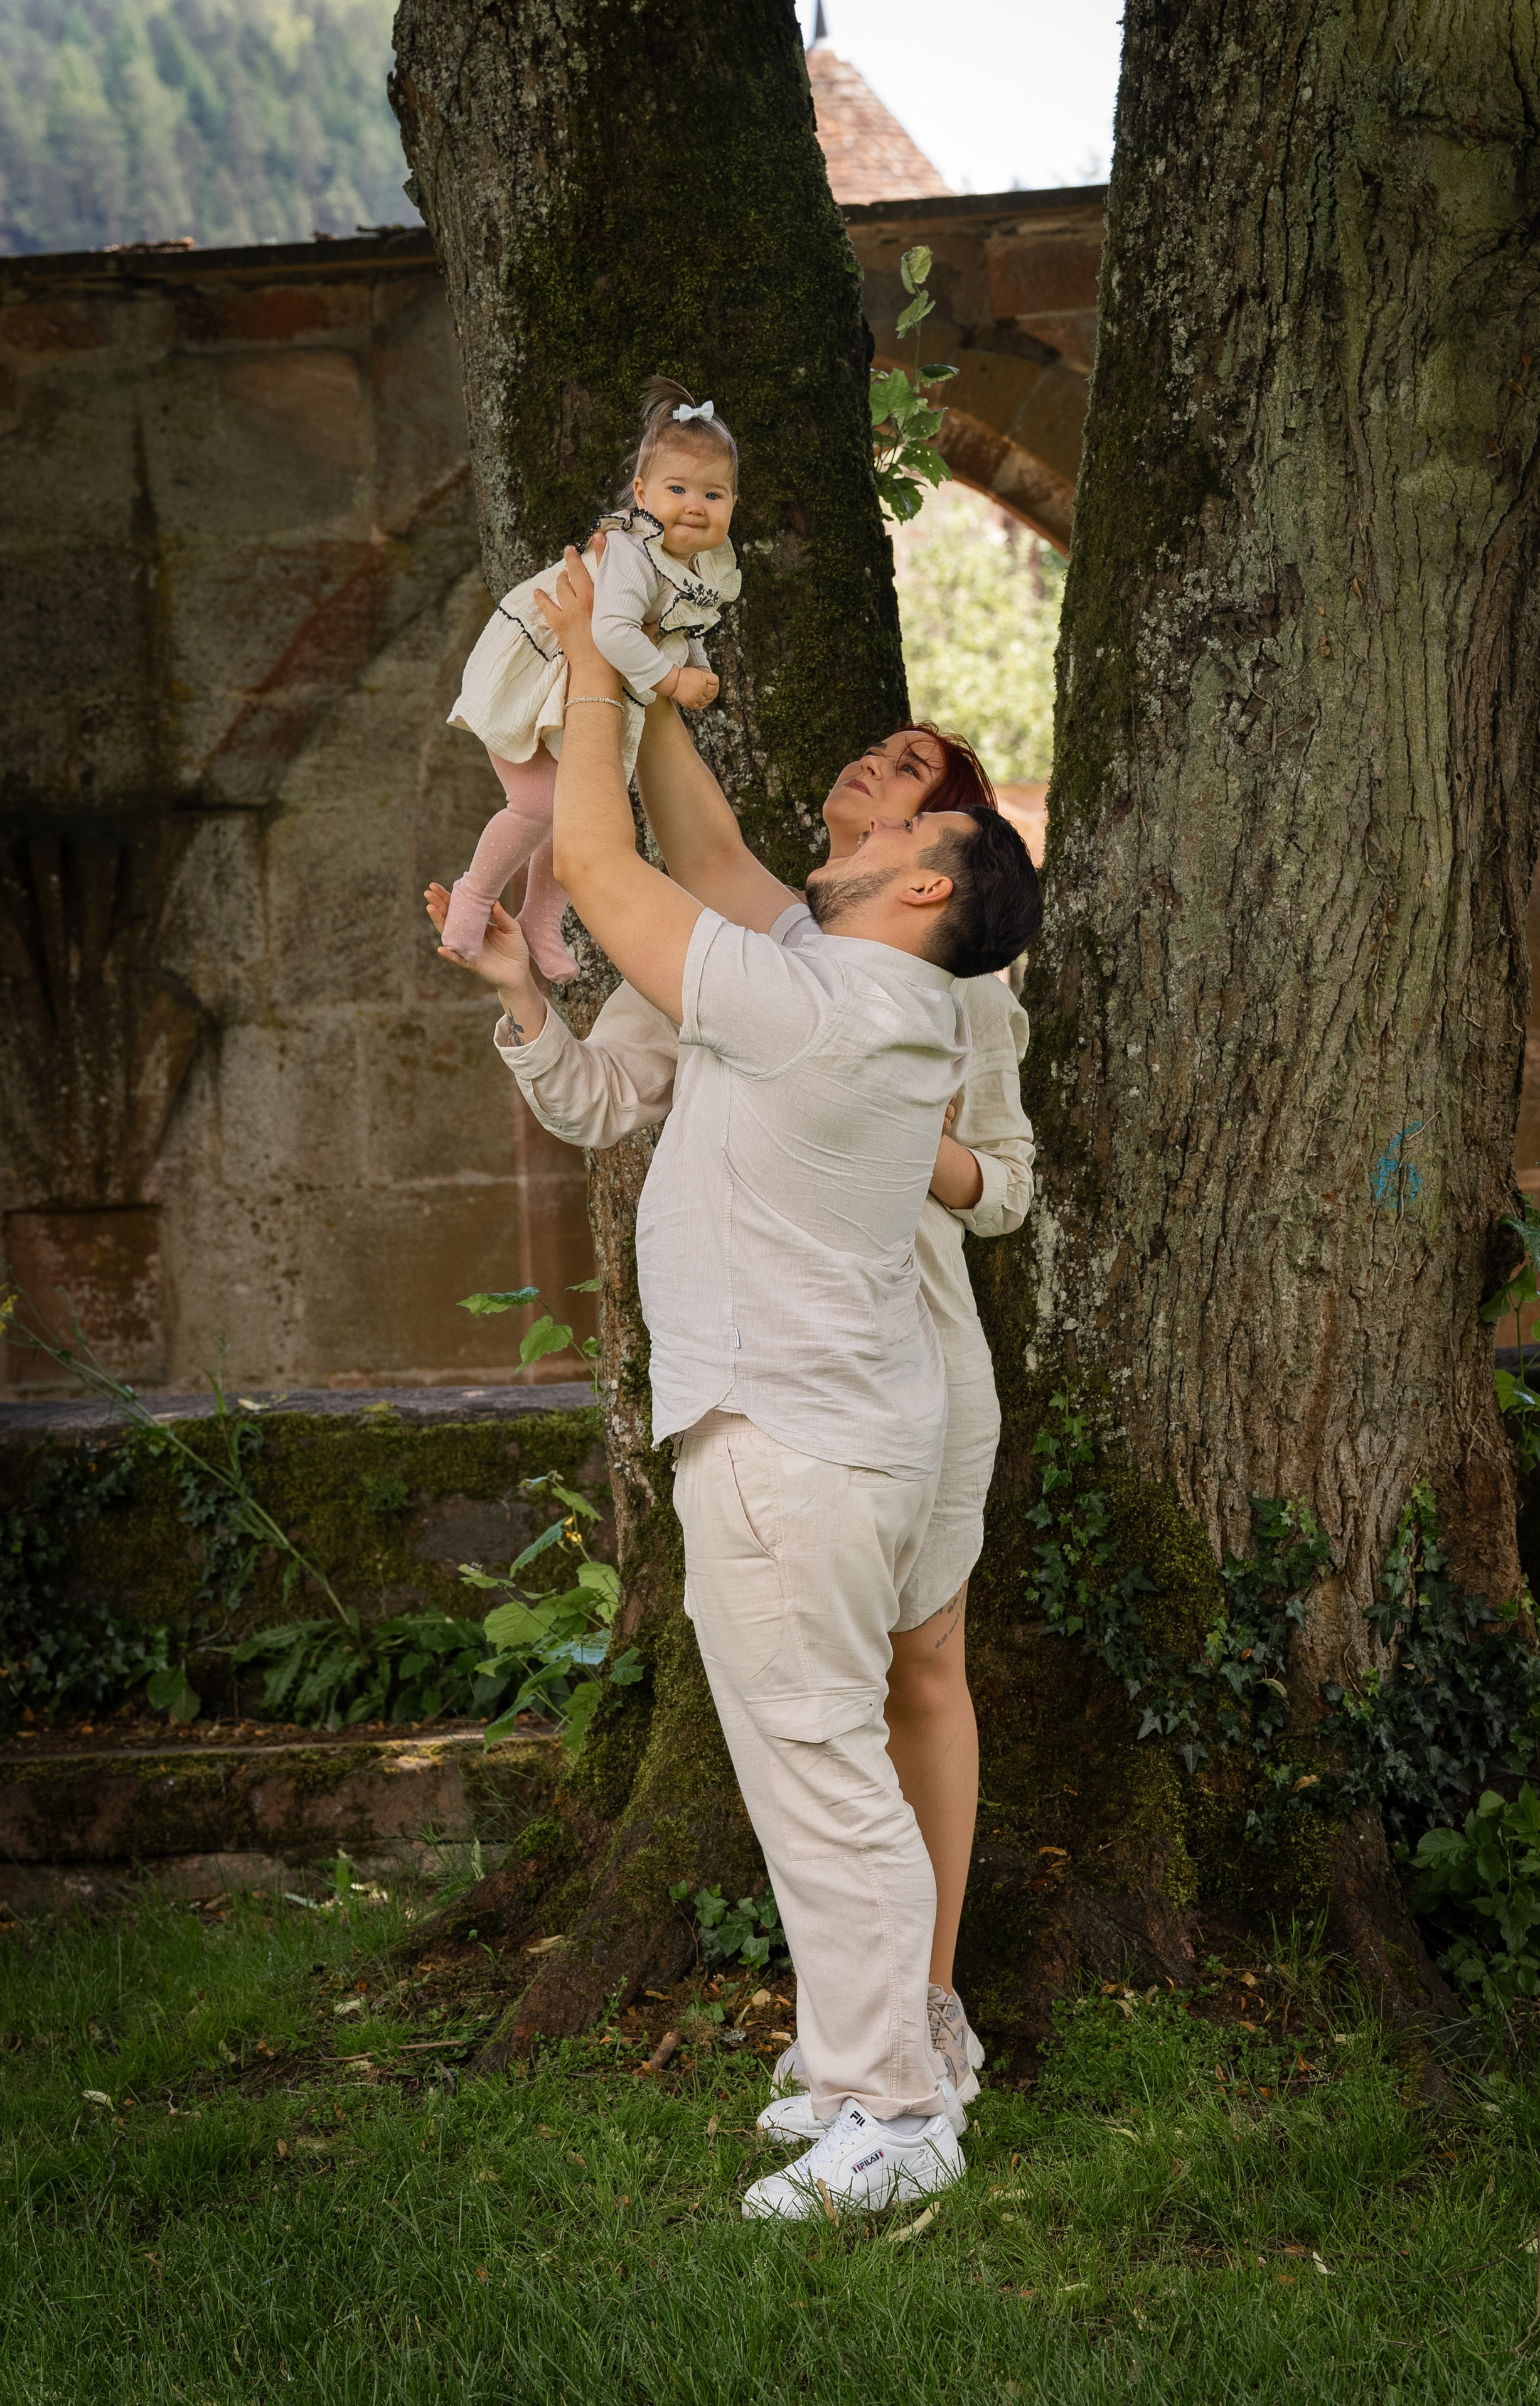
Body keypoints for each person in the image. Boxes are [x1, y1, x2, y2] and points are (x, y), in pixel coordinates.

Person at [430, 544, 1041, 2222]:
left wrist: (591, 666)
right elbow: (682, 863)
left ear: (932, 886)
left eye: (913, 805)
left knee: (820, 1765)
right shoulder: (843, 983)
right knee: (819, 1760)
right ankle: (878, 2067)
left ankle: (892, 2109)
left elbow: (613, 865)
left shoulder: (826, 1006)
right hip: (828, 1418)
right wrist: (617, 645)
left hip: (794, 1432)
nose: (865, 803)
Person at [440, 378, 741, 979]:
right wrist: (673, 683)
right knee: (538, 800)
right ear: (641, 493)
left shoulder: (703, 565)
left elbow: (684, 623)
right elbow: (613, 634)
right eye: (677, 489)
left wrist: (697, 668)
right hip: (540, 664)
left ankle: (540, 922)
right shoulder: (633, 550)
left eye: (714, 494)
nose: (695, 506)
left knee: (578, 806)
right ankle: (473, 897)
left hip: (588, 683)